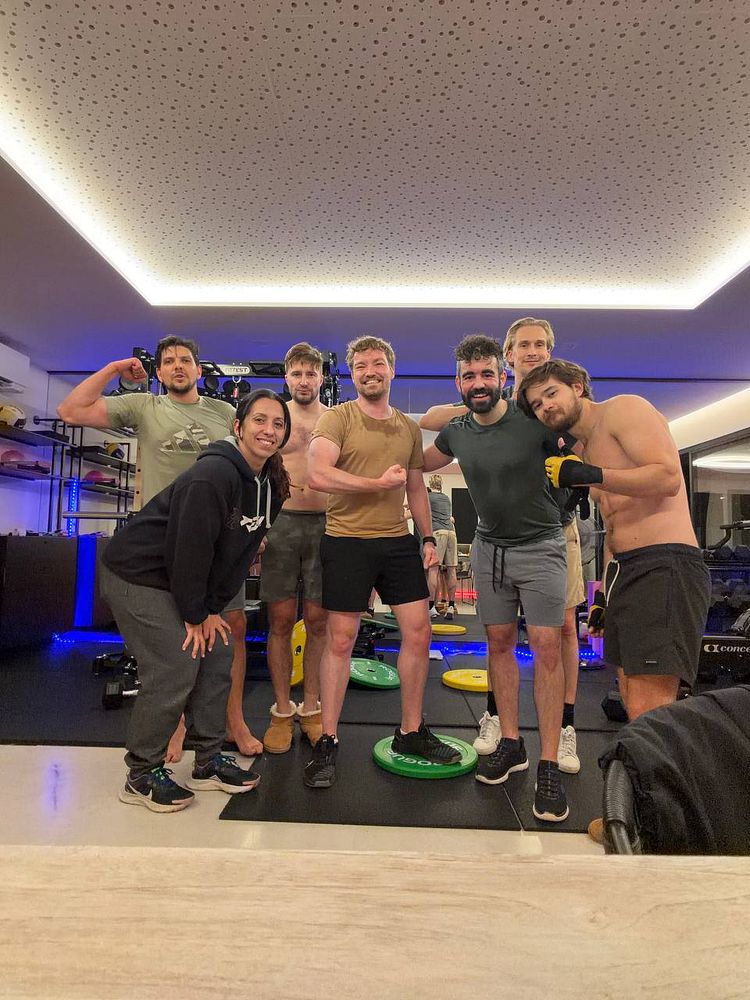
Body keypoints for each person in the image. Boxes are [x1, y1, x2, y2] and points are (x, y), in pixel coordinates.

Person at [517, 359, 711, 840]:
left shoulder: (624, 410)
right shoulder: (581, 448)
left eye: (551, 394)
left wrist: (592, 473)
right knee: (630, 696)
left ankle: (662, 827)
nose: (545, 407)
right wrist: (601, 594)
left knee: (652, 706)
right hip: (627, 570)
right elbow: (613, 527)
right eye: (537, 404)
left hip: (665, 564)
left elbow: (666, 478)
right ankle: (645, 814)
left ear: (578, 386)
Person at [57, 337, 263, 759]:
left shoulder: (225, 413)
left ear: (199, 370)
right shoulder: (143, 406)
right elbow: (71, 411)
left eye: (185, 360)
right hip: (162, 541)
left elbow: (253, 466)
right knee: (177, 641)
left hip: (218, 544)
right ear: (160, 372)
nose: (177, 366)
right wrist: (114, 368)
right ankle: (174, 725)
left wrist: (253, 532)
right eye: (168, 361)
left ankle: (232, 719)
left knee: (231, 630)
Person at [98, 390, 291, 812]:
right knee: (177, 660)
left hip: (180, 578)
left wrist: (213, 609)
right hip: (138, 573)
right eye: (259, 420)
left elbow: (240, 554)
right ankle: (141, 774)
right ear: (238, 427)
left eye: (278, 423)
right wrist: (195, 613)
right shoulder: (213, 474)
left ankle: (207, 761)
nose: (269, 430)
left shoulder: (272, 485)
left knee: (219, 652)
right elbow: (189, 549)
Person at [420, 317, 585, 775]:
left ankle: (555, 748)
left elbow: (589, 435)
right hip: (491, 548)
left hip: (546, 541)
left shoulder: (538, 419)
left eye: (486, 374)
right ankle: (509, 738)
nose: (478, 382)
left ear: (502, 374)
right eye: (469, 376)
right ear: (458, 382)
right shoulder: (459, 429)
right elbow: (417, 454)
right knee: (498, 641)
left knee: (552, 641)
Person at [304, 335, 461, 788]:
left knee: (419, 631)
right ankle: (328, 740)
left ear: (391, 369)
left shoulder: (407, 428)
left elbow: (415, 487)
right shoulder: (338, 418)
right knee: (341, 638)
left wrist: (426, 537)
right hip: (346, 541)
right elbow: (318, 474)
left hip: (396, 542)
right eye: (360, 366)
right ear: (352, 374)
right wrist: (376, 485)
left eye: (377, 364)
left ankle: (410, 731)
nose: (369, 372)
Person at [260, 343, 328, 753]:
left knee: (319, 622)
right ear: (286, 377)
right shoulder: (274, 418)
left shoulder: (334, 419)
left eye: (311, 373)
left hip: (325, 525)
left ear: (321, 377)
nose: (304, 380)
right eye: (297, 373)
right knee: (281, 620)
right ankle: (282, 711)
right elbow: (254, 469)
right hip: (281, 525)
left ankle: (313, 709)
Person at [426, 475, 459, 621]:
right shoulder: (446, 498)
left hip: (438, 533)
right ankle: (451, 606)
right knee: (451, 570)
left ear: (430, 484)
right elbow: (450, 517)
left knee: (433, 570)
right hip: (451, 533)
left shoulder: (428, 497)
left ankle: (430, 607)